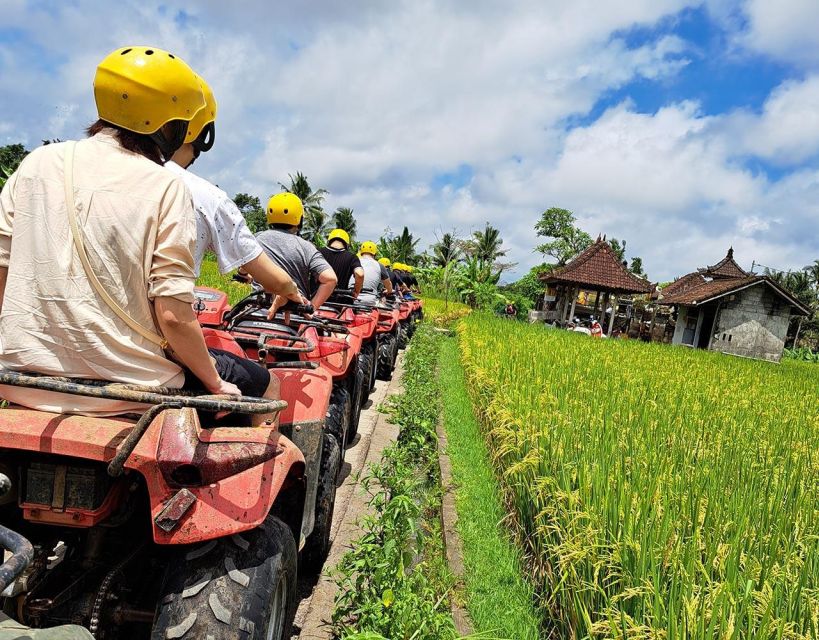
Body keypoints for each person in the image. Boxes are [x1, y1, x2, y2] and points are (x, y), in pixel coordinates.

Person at [0, 46, 248, 417]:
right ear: (169, 126)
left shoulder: (38, 162)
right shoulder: (166, 186)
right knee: (262, 386)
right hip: (130, 390)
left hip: (22, 381)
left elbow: (3, 271)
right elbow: (173, 316)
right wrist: (215, 384)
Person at [163, 75, 307, 424]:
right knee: (267, 385)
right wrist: (296, 296)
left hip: (32, 367)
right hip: (152, 359)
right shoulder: (199, 195)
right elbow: (171, 315)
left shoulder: (48, 169)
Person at [255, 193, 338, 311]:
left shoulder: (256, 239)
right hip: (294, 314)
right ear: (299, 219)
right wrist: (311, 308)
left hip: (257, 311)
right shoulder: (306, 247)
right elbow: (330, 279)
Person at [319, 228, 364, 299]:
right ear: (346, 243)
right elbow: (360, 274)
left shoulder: (318, 252)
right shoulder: (352, 257)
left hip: (316, 299)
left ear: (329, 241)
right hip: (339, 302)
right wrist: (356, 292)